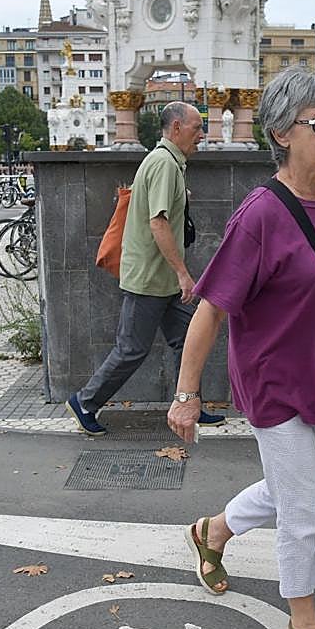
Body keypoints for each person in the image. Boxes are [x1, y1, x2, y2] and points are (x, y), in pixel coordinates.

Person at [166, 68, 315, 629]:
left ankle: (211, 531)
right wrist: (186, 395)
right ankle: (303, 623)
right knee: (305, 510)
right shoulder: (261, 214)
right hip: (274, 381)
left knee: (287, 490)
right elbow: (211, 306)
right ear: (281, 132)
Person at [66, 101, 225, 436]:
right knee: (131, 349)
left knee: (187, 340)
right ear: (177, 127)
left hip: (161, 280)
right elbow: (158, 224)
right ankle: (84, 402)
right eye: (197, 128)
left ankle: (190, 405)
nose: (202, 135)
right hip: (151, 280)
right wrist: (183, 273)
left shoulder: (169, 163)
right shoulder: (165, 164)